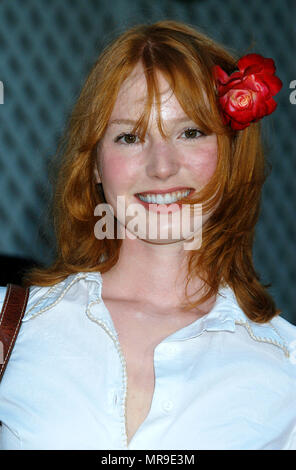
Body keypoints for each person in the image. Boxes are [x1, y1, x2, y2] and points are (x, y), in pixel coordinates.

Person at [0, 20, 295, 450]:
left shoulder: (285, 364)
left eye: (189, 132)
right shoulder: (12, 325)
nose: (161, 166)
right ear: (97, 164)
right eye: (130, 136)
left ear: (230, 157)